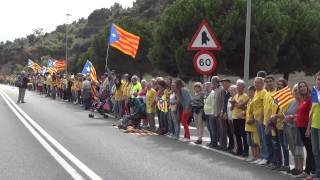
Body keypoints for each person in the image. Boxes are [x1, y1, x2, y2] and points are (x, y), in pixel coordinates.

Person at [278, 84, 304, 175]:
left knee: (299, 149)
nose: (296, 92)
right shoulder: (292, 102)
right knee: (293, 149)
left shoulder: (303, 102)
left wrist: (292, 117)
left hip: (298, 129)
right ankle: (296, 167)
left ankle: (300, 168)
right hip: (289, 129)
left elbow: (304, 114)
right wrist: (284, 119)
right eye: (294, 90)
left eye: (297, 90)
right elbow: (286, 113)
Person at [295, 81, 315, 178]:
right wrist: (294, 117)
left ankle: (309, 171)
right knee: (309, 149)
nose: (302, 88)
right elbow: (301, 114)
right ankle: (310, 170)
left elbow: (311, 114)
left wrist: (308, 128)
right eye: (300, 87)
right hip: (300, 127)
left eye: (304, 86)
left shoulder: (310, 98)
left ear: (307, 87)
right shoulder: (302, 99)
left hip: (306, 127)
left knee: (310, 150)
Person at [251, 77, 267, 165]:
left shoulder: (263, 92)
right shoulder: (256, 92)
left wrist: (260, 118)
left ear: (262, 83)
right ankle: (261, 156)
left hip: (261, 119)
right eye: (255, 83)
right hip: (256, 118)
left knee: (263, 138)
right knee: (260, 138)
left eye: (258, 83)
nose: (256, 84)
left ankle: (265, 156)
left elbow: (263, 106)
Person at [307, 71, 320, 179]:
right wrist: (308, 127)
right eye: (318, 79)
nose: (319, 81)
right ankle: (318, 171)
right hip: (314, 125)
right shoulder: (314, 92)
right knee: (315, 151)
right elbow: (312, 110)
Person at [232, 79, 249, 156]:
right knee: (237, 134)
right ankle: (239, 150)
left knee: (244, 135)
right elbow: (232, 108)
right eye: (237, 85)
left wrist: (238, 105)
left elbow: (245, 108)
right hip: (235, 117)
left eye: (239, 86)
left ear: (243, 87)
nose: (237, 87)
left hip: (242, 118)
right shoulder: (235, 95)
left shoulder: (245, 96)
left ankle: (246, 151)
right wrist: (233, 104)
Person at [245, 86, 260, 161]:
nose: (250, 94)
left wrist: (253, 119)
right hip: (248, 124)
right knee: (250, 141)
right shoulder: (249, 100)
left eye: (252, 92)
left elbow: (256, 111)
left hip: (253, 124)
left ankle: (256, 156)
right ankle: (253, 156)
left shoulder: (255, 100)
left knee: (255, 141)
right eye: (249, 92)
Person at [209, 76, 224, 148]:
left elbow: (223, 101)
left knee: (220, 130)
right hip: (213, 112)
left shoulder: (221, 89)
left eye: (212, 82)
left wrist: (221, 111)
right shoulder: (215, 90)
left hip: (218, 113)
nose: (212, 83)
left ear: (215, 82)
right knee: (213, 129)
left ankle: (221, 143)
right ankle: (214, 142)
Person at [220, 78, 232, 151]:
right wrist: (223, 112)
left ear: (228, 83)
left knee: (231, 132)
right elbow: (225, 104)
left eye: (224, 83)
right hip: (226, 114)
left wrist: (226, 113)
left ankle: (231, 146)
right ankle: (230, 146)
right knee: (228, 131)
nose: (223, 85)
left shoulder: (230, 92)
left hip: (230, 115)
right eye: (222, 83)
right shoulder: (226, 92)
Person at [203, 82, 214, 147]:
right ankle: (211, 141)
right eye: (206, 86)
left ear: (211, 86)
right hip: (206, 113)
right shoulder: (206, 94)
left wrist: (213, 113)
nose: (206, 87)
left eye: (208, 86)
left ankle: (213, 142)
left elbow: (213, 104)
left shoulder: (212, 94)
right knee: (209, 128)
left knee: (212, 128)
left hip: (211, 113)